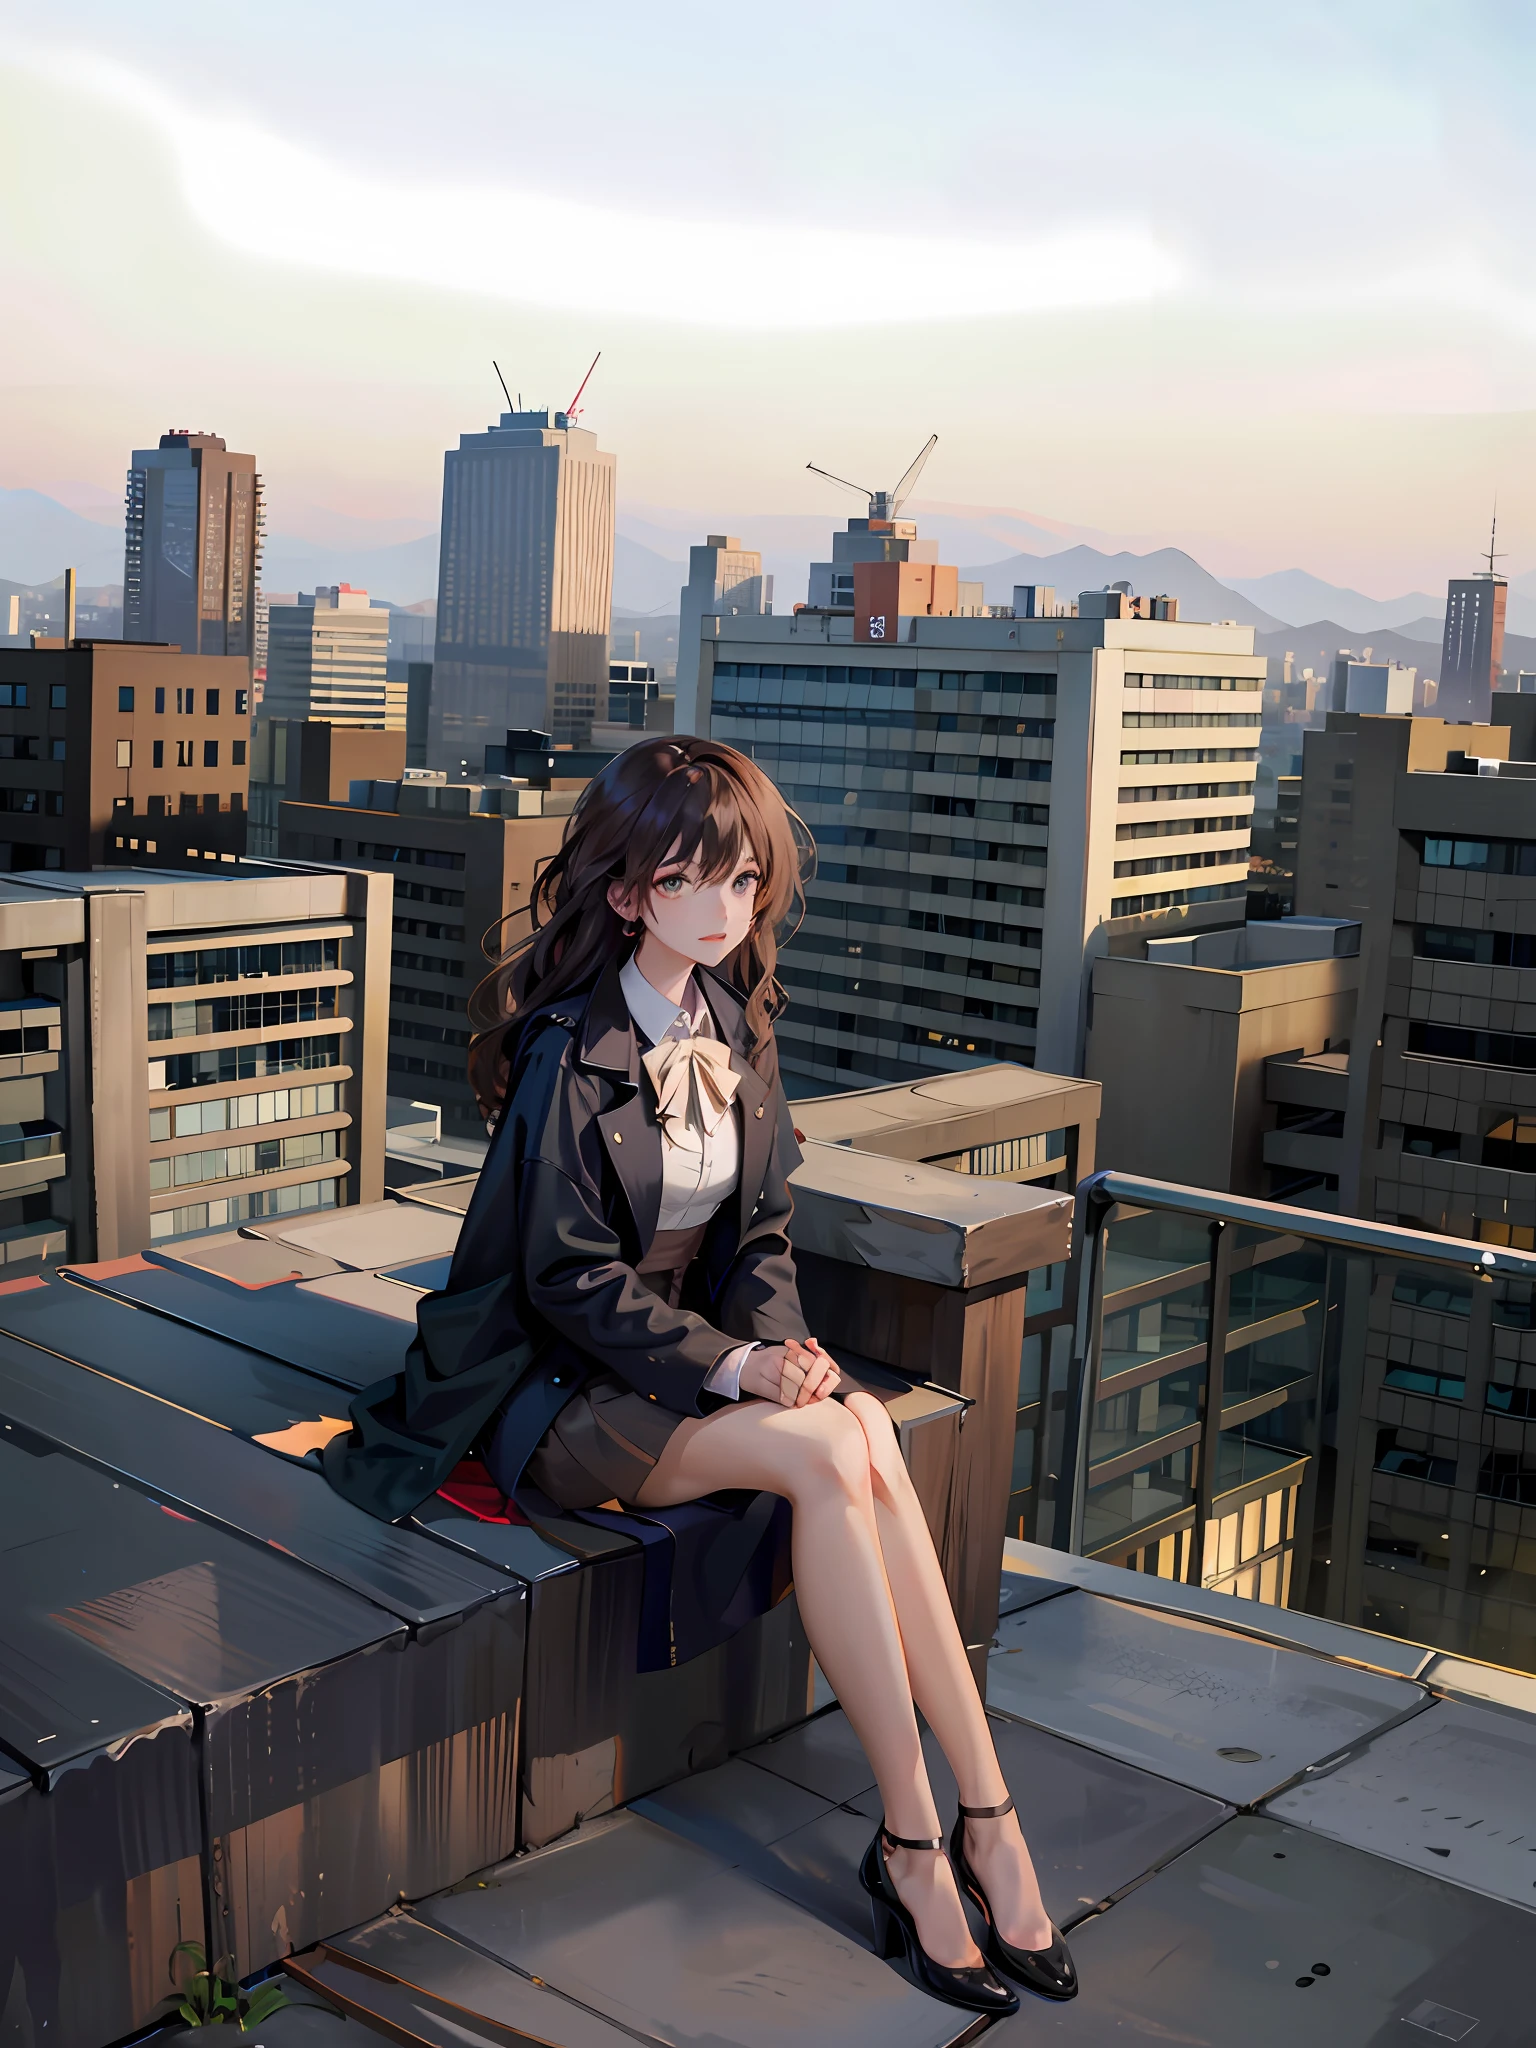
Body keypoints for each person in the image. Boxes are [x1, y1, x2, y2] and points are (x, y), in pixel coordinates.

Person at [325, 737, 1076, 2018]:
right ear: (627, 893)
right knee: (830, 1445)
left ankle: (985, 1817)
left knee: (860, 1427)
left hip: (677, 1369)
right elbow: (563, 1279)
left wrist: (782, 1346)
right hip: (556, 1389)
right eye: (701, 880)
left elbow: (761, 1234)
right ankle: (916, 1836)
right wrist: (736, 1365)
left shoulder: (735, 1020)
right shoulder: (571, 1049)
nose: (734, 909)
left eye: (747, 881)